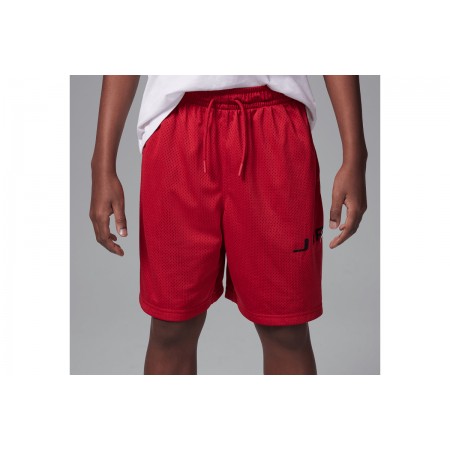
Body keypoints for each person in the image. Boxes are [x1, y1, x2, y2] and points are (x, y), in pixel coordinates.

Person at [89, 75, 368, 375]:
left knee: (286, 330)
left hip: (275, 127)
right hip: (178, 129)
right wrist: (102, 165)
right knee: (171, 325)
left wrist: (355, 155)